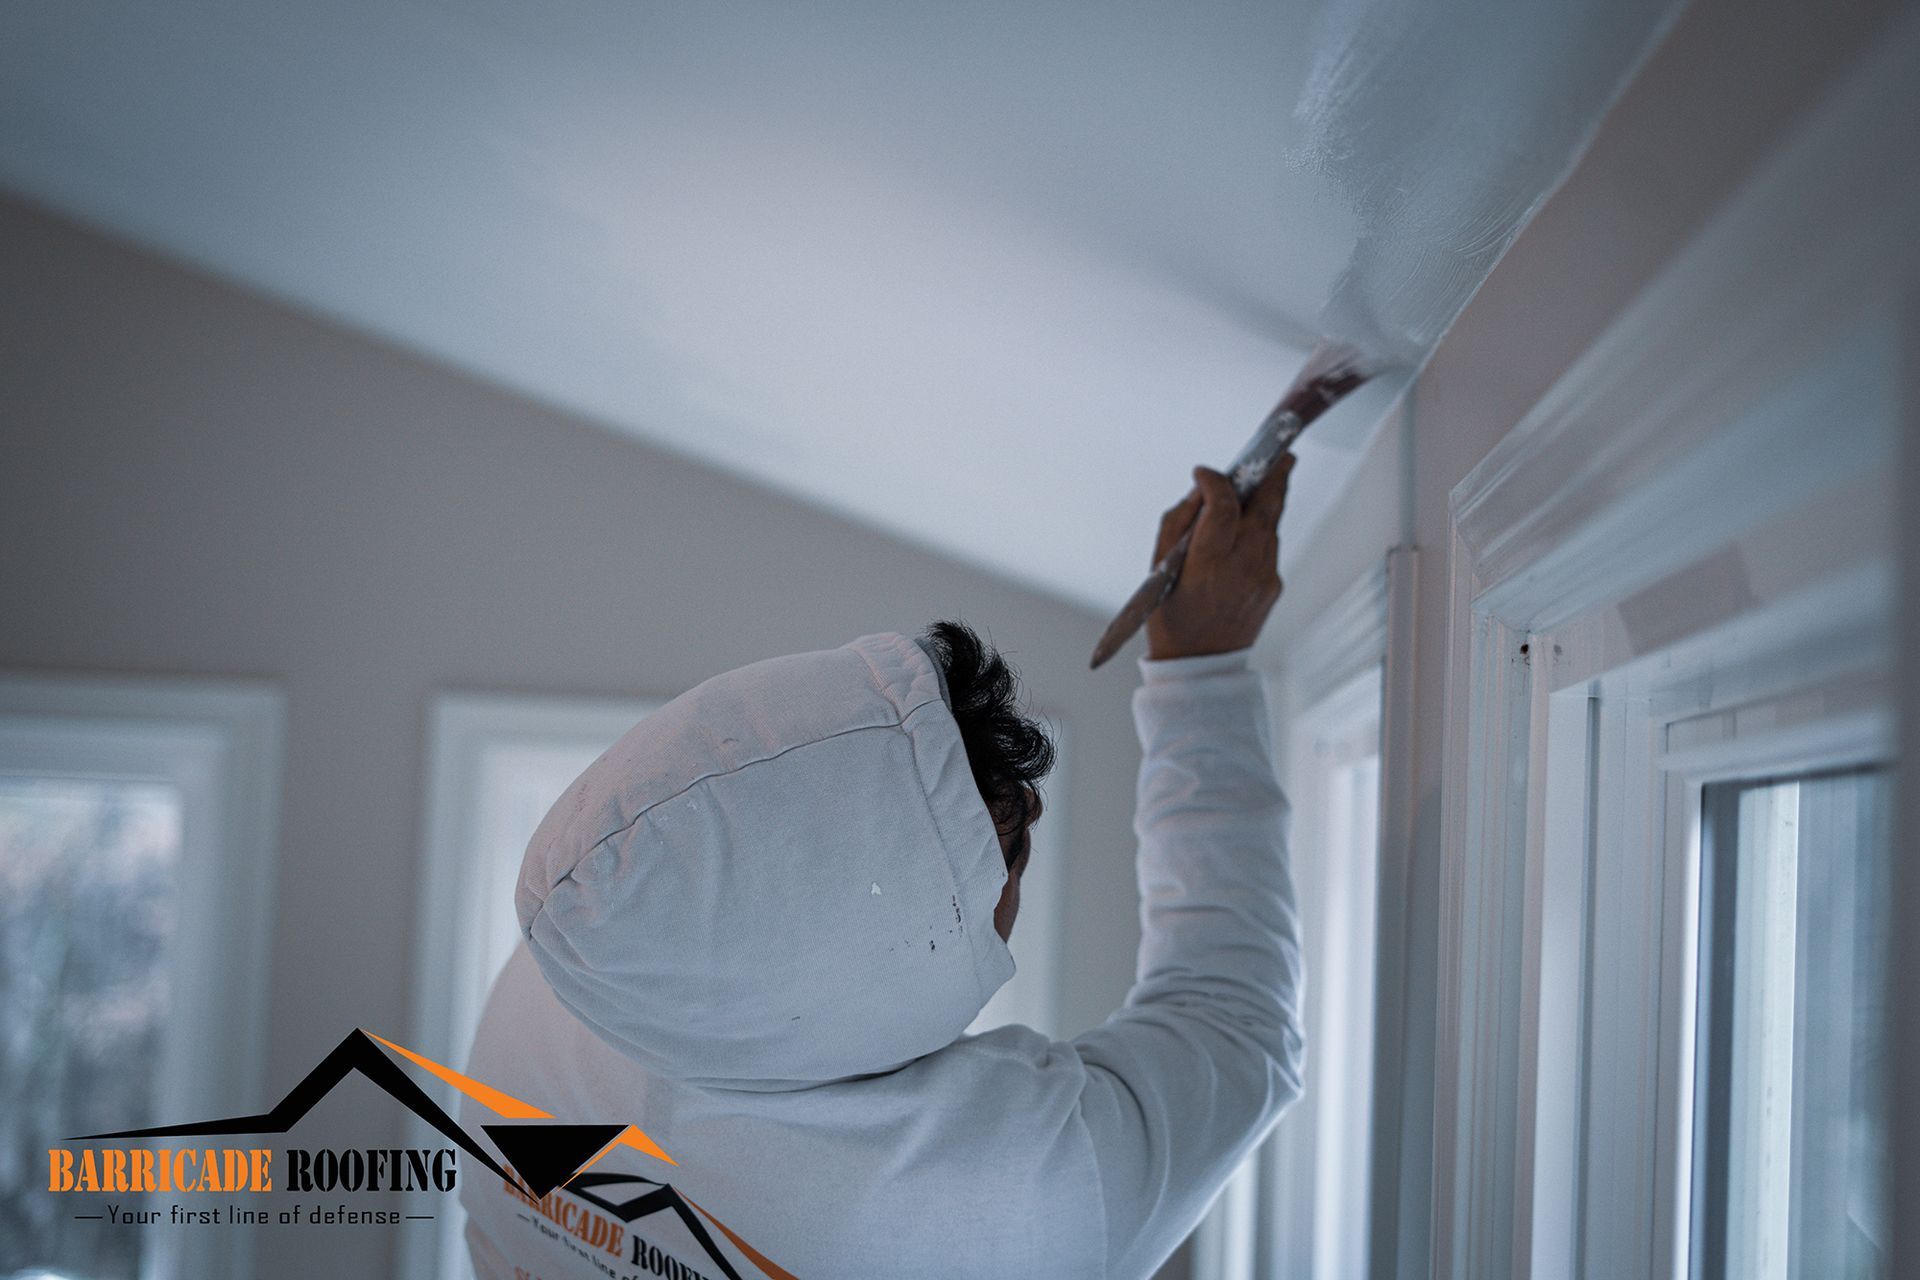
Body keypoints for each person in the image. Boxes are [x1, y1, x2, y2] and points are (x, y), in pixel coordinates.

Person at [459, 458, 1305, 1279]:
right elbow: (1231, 1021)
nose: (1025, 842)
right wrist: (1200, 673)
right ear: (895, 963)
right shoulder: (1013, 1197)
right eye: (1005, 856)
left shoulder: (563, 963)